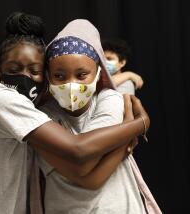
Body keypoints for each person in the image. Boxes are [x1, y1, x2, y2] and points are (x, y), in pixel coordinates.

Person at [0, 12, 150, 214]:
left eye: (34, 71)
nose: (24, 77)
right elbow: (80, 152)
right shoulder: (4, 100)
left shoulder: (38, 112)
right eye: (14, 70)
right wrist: (139, 124)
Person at [33, 19, 161, 213]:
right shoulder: (42, 116)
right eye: (59, 76)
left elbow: (82, 165)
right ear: (48, 76)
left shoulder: (110, 100)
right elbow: (85, 167)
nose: (71, 85)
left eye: (81, 74)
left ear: (98, 73)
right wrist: (131, 130)